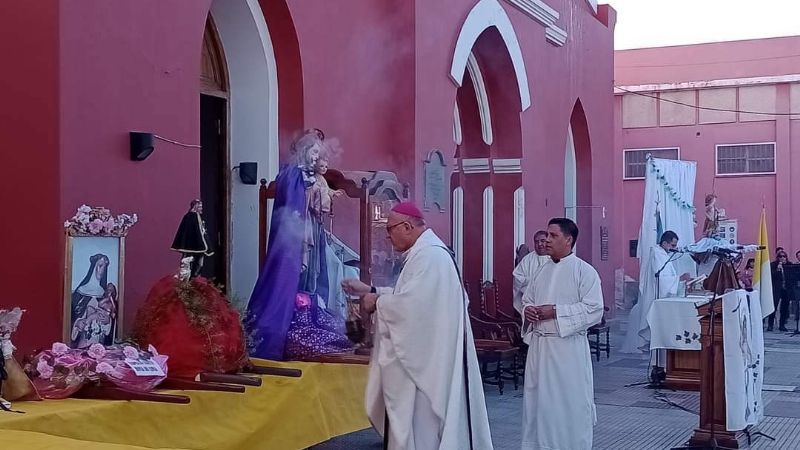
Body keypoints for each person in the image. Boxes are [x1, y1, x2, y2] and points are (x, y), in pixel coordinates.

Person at [342, 202, 493, 450]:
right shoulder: (426, 254)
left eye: (389, 229)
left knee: (424, 431)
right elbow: (412, 296)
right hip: (428, 357)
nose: (388, 236)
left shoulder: (430, 256)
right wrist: (371, 290)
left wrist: (378, 302)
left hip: (427, 367)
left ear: (407, 226)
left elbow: (414, 308)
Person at [246, 129, 351, 360]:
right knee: (296, 274)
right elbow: (296, 204)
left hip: (311, 230)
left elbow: (319, 205)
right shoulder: (294, 174)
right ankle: (291, 319)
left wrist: (326, 195)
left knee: (315, 273)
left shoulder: (307, 176)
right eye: (314, 151)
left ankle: (309, 311)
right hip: (297, 234)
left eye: (319, 152)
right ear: (304, 152)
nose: (317, 156)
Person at [518, 218, 603, 450]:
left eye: (553, 235)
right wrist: (530, 312)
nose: (546, 239)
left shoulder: (584, 272)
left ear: (569, 240)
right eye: (546, 234)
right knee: (538, 405)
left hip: (567, 350)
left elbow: (594, 310)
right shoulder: (540, 271)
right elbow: (526, 300)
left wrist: (555, 312)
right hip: (540, 348)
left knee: (566, 404)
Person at [622, 230, 691, 353]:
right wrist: (678, 279)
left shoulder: (663, 255)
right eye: (673, 245)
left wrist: (679, 281)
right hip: (656, 298)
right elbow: (661, 279)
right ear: (664, 243)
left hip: (663, 298)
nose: (674, 248)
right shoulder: (657, 255)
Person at [170, 199, 214, 278]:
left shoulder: (193, 217)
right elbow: (189, 232)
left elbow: (199, 231)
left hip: (198, 246)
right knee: (188, 265)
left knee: (199, 264)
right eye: (200, 207)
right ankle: (191, 280)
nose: (201, 209)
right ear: (196, 206)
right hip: (193, 246)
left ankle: (195, 278)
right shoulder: (191, 217)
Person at [512, 230, 549, 313]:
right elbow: (517, 278)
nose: (540, 244)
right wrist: (533, 281)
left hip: (550, 303)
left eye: (543, 241)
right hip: (530, 303)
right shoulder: (527, 259)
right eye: (536, 242)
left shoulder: (555, 259)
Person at [768, 250, 791, 332]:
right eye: (780, 256)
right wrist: (778, 269)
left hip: (786, 289)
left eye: (784, 256)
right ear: (777, 258)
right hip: (776, 288)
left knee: (784, 307)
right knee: (774, 306)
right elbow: (771, 276)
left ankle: (782, 325)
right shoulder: (773, 265)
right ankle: (770, 325)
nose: (782, 258)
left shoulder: (789, 265)